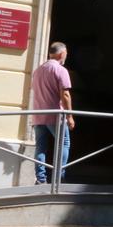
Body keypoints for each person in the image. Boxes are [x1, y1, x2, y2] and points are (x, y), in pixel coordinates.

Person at [31, 41, 75, 185]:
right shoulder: (61, 70)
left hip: (38, 115)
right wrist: (70, 116)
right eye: (66, 53)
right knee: (64, 144)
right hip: (56, 116)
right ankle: (58, 178)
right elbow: (66, 94)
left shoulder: (38, 70)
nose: (66, 56)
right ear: (62, 53)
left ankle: (40, 178)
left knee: (40, 147)